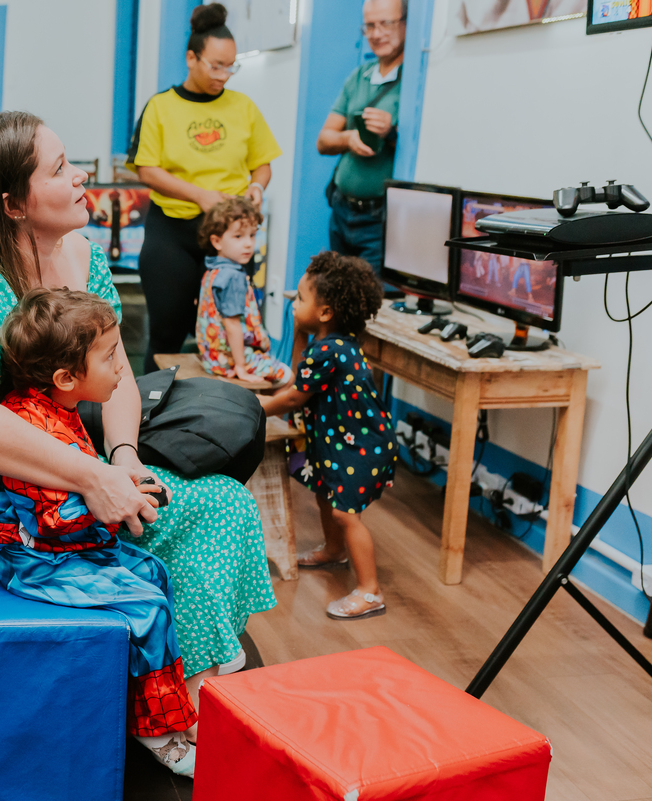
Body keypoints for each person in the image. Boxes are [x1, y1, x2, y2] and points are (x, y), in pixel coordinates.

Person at [0, 111, 277, 733]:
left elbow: (118, 377)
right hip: (3, 502)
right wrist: (91, 476)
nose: (81, 175)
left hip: (72, 462)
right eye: (58, 169)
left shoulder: (79, 254)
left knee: (216, 501)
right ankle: (168, 711)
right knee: (217, 509)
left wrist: (126, 458)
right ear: (12, 204)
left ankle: (178, 681)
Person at [0, 287, 199, 776]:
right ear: (67, 377)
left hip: (64, 551)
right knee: (148, 607)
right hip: (31, 559)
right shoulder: (29, 427)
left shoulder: (57, 407)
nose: (122, 365)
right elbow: (49, 521)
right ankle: (156, 731)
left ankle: (164, 712)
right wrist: (114, 505)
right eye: (111, 355)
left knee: (154, 574)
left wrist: (123, 479)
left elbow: (82, 478)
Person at [127, 2, 283, 373]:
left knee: (229, 331)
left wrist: (256, 189)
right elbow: (146, 169)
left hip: (228, 238)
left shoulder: (243, 107)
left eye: (231, 65)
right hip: (174, 234)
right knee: (168, 333)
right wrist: (200, 195)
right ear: (191, 58)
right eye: (216, 65)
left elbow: (262, 166)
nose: (225, 74)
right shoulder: (161, 107)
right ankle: (148, 415)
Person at [258, 252, 398, 620]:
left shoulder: (331, 351)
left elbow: (295, 394)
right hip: (338, 440)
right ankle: (334, 552)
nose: (294, 304)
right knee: (325, 493)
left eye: (301, 299)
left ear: (325, 312)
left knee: (345, 513)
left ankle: (370, 591)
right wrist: (300, 332)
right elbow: (298, 374)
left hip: (360, 446)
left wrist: (257, 405)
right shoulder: (332, 341)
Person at [316, 0, 406, 273]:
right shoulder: (359, 76)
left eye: (386, 23)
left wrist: (391, 132)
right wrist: (349, 139)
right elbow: (324, 140)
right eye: (370, 25)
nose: (377, 34)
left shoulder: (414, 80)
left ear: (405, 24)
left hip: (380, 220)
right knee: (335, 298)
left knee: (369, 304)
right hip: (342, 210)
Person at [195, 196, 292, 385]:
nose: (248, 243)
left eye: (252, 235)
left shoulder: (213, 270)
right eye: (238, 236)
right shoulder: (233, 277)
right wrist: (240, 367)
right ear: (217, 242)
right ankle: (262, 412)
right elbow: (232, 325)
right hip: (230, 360)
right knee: (289, 378)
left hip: (211, 357)